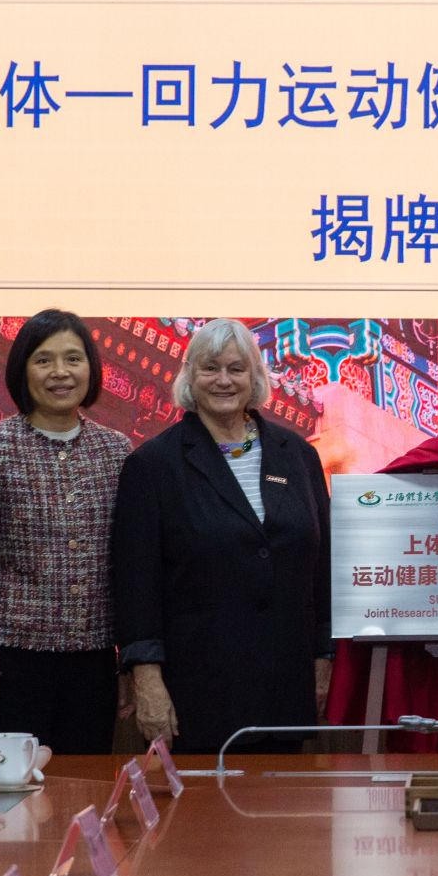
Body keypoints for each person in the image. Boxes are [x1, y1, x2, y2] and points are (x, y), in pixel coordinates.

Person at [111, 318, 333, 756]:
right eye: (210, 368)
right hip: (197, 692)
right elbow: (136, 588)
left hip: (286, 685)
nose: (224, 380)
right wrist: (147, 679)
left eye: (236, 368)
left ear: (255, 377)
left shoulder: (298, 456)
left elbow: (323, 567)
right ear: (190, 376)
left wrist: (324, 658)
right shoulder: (153, 465)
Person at [0, 310, 130, 753]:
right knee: (9, 789)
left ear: (91, 369)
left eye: (73, 359)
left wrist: (130, 663)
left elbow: (130, 566)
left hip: (95, 662)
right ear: (22, 371)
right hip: (12, 665)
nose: (60, 372)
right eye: (44, 360)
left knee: (84, 781)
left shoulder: (117, 451)